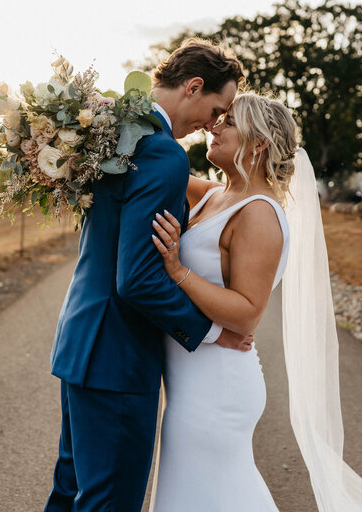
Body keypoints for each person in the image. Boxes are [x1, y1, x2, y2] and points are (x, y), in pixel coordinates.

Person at [44, 39, 249, 512]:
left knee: (72, 491)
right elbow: (136, 278)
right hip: (118, 357)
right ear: (193, 86)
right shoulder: (161, 154)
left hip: (82, 342)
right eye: (216, 109)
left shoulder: (113, 131)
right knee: (109, 502)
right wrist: (211, 330)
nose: (212, 124)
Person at [150, 92, 362, 512]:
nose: (214, 126)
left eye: (228, 121)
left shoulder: (260, 214)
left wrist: (178, 271)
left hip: (218, 386)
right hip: (192, 380)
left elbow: (247, 314)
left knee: (212, 494)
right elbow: (155, 164)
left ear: (259, 142)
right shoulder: (215, 195)